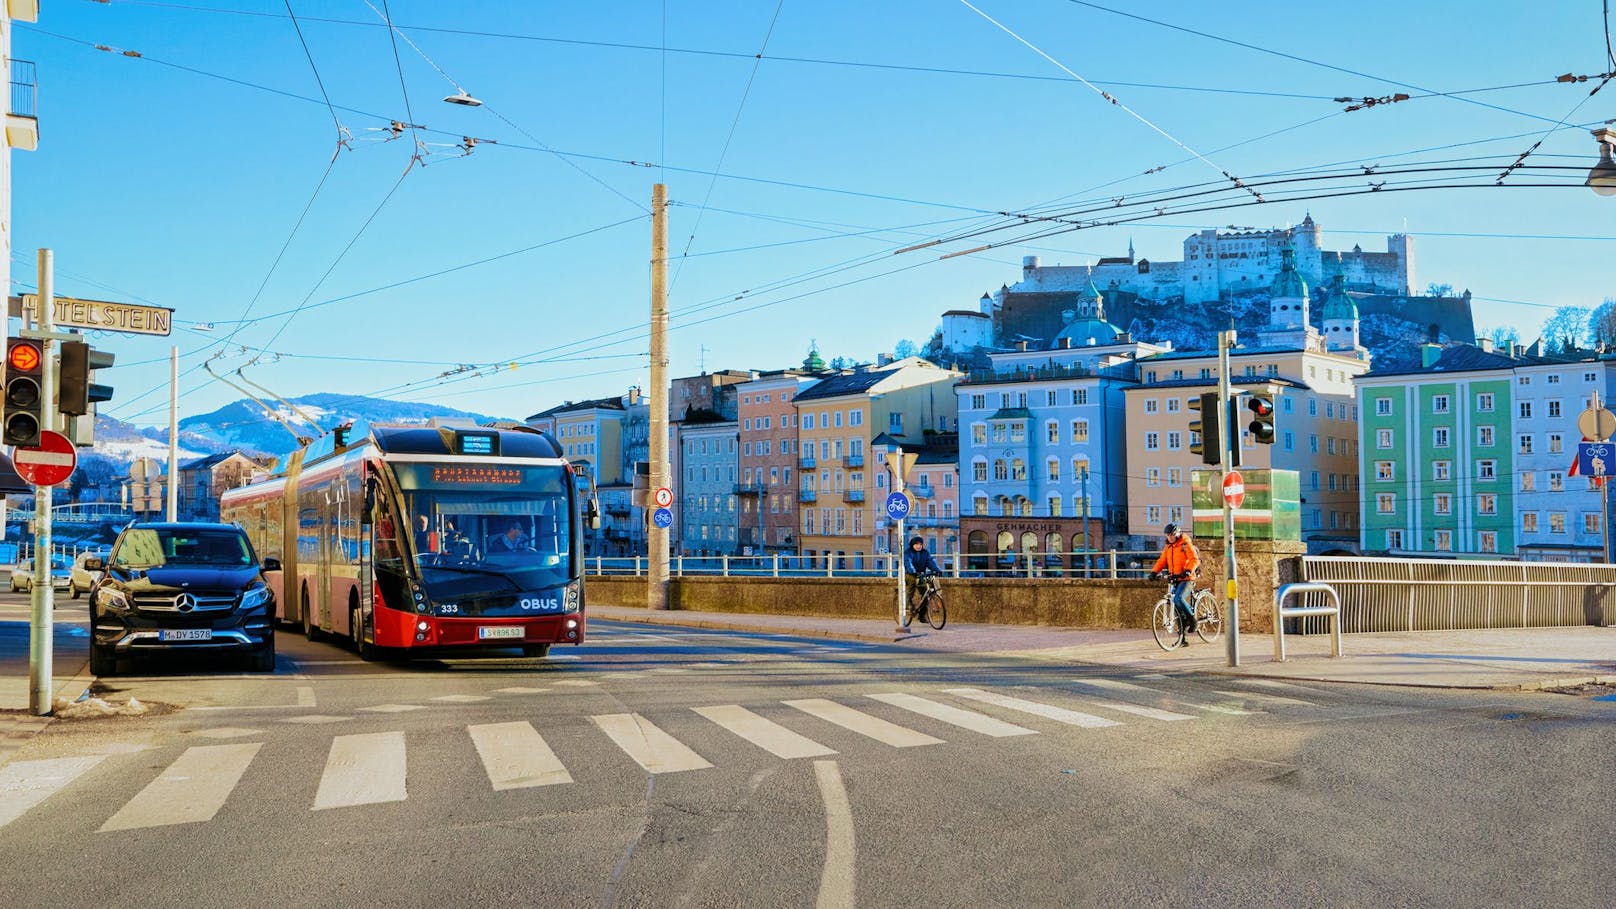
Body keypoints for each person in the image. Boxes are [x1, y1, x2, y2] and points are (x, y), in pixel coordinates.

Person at [1150, 523, 1201, 639]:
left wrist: (1188, 570)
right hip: (1175, 578)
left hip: (1187, 578)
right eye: (1168, 535)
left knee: (1178, 598)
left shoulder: (1185, 544)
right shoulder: (1168, 547)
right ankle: (1182, 639)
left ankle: (1193, 620)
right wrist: (1154, 572)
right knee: (1176, 607)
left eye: (1172, 534)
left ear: (1177, 534)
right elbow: (1162, 561)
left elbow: (1195, 559)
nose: (1170, 537)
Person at [903, 537, 942, 619]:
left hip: (920, 574)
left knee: (925, 593)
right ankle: (908, 602)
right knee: (912, 582)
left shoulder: (925, 553)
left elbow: (930, 562)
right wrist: (912, 571)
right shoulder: (908, 552)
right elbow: (908, 562)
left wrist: (937, 570)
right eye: (916, 544)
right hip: (909, 574)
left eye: (920, 544)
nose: (919, 546)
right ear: (912, 545)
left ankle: (922, 615)